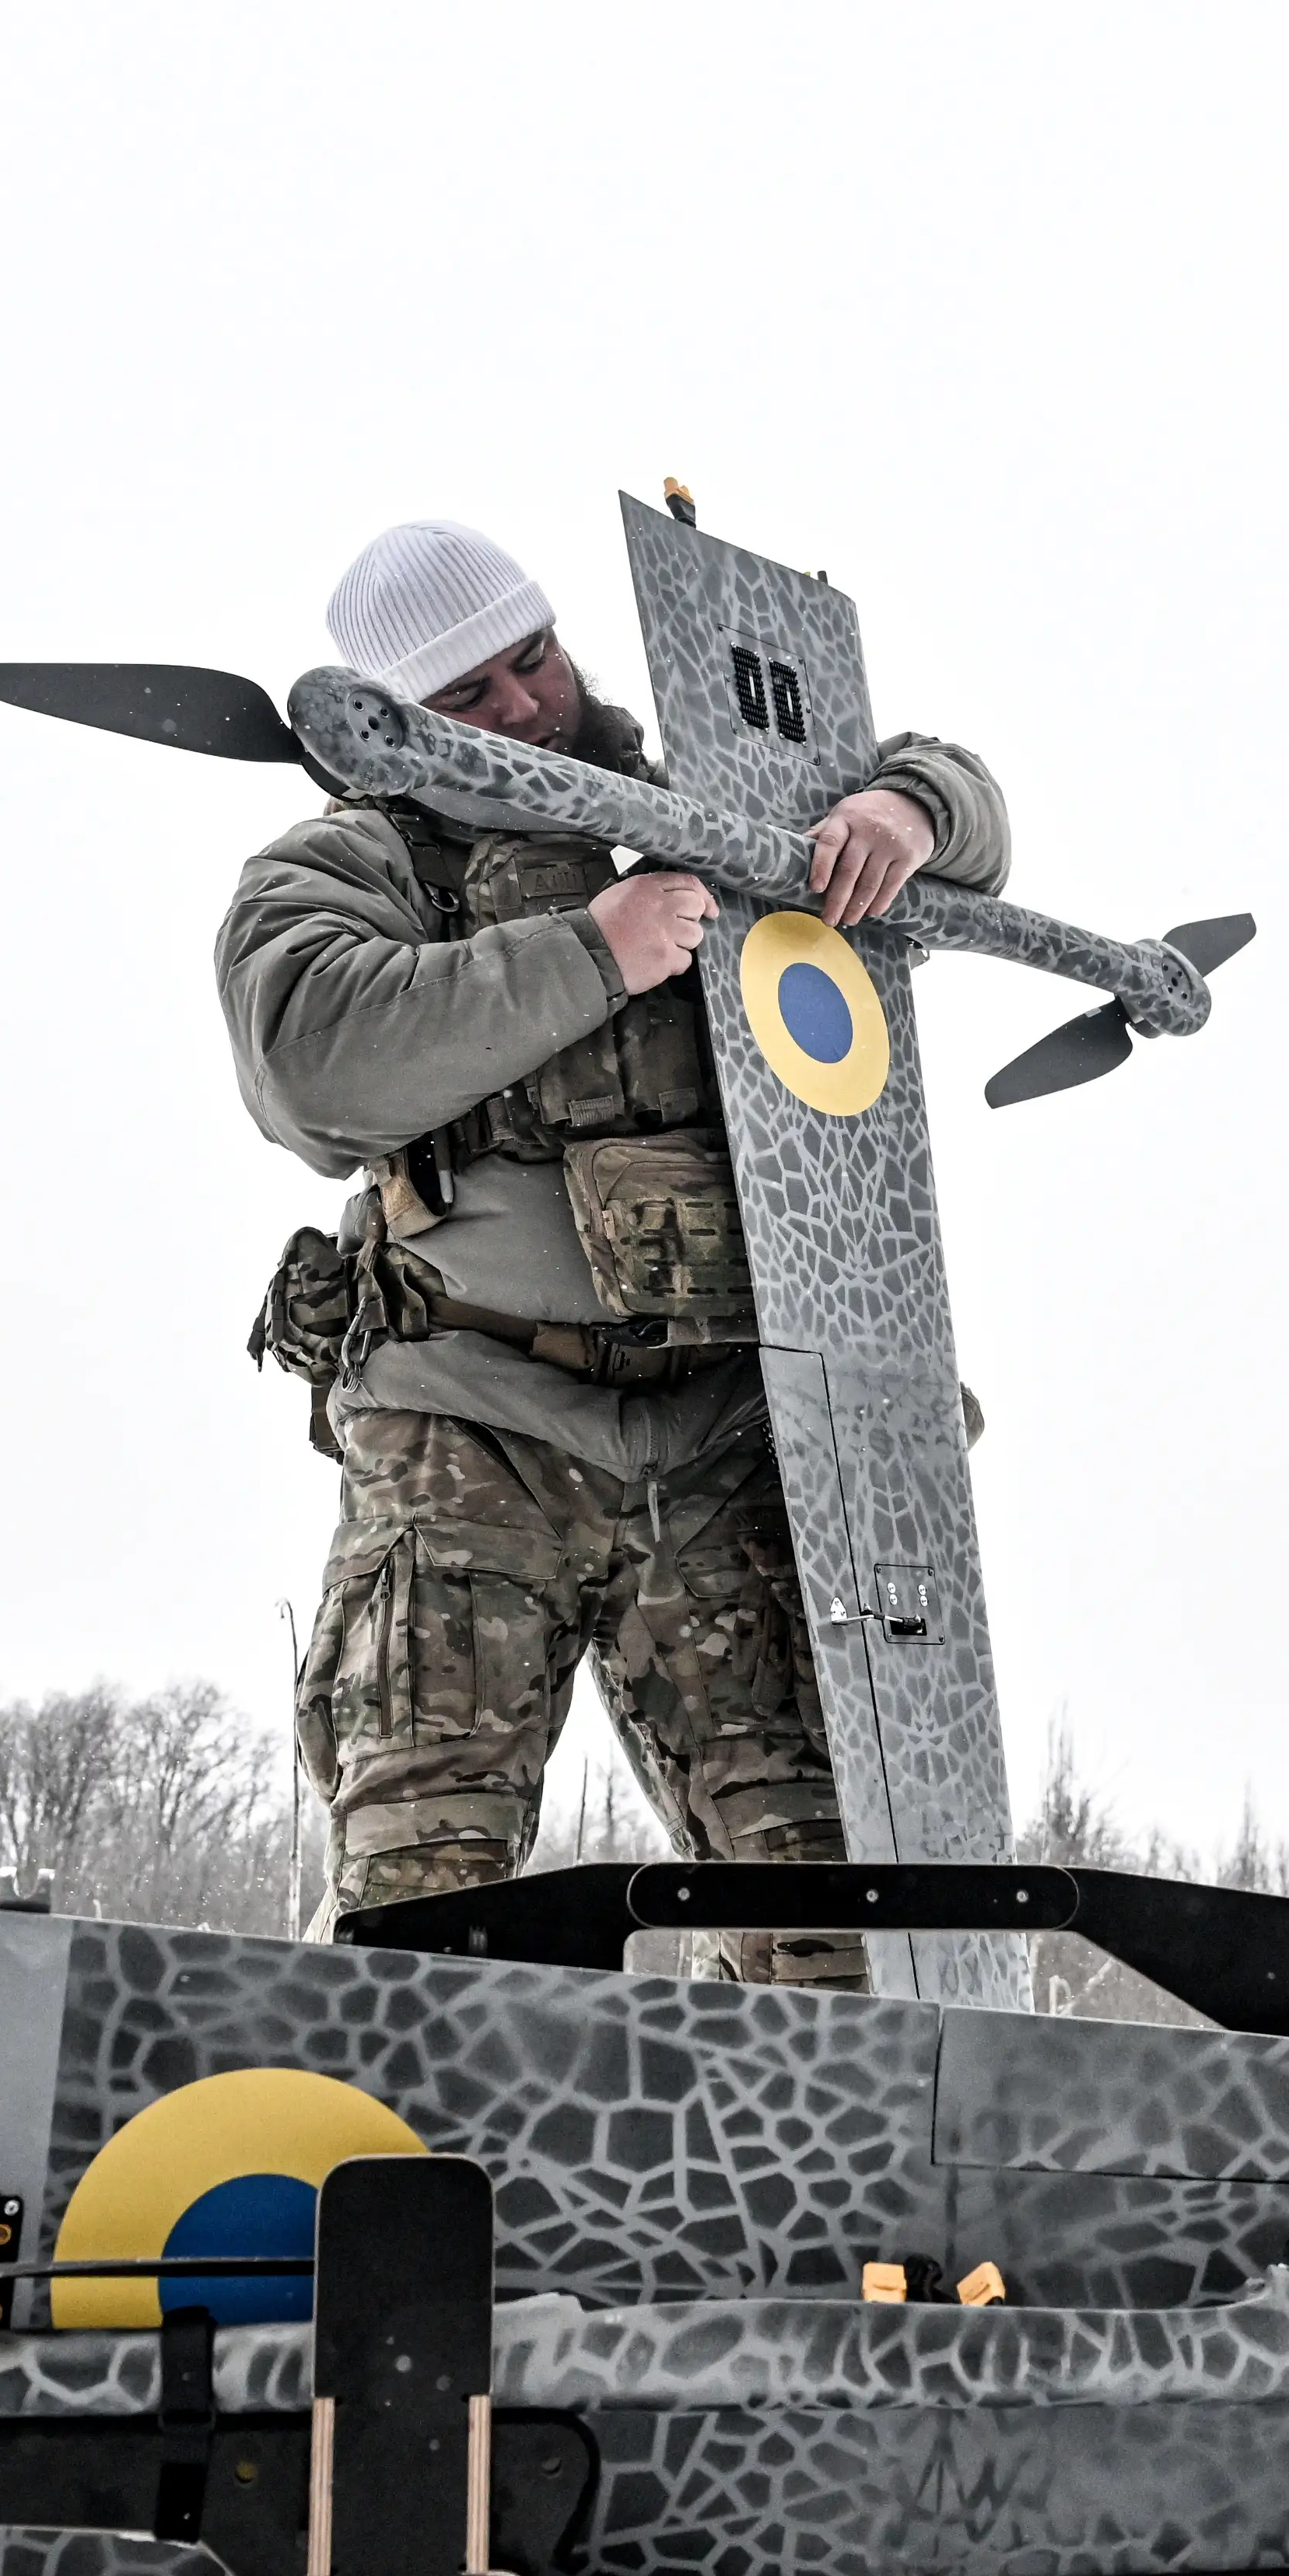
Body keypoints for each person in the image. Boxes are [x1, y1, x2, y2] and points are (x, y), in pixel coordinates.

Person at [223, 518, 1009, 1986]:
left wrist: (911, 809)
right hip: (472, 1427)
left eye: (533, 659)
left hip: (731, 1435)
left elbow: (960, 804)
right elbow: (310, 1067)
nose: (522, 708)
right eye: (467, 697)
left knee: (840, 1921)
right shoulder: (352, 863)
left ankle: (802, 2204)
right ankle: (418, 2195)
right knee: (425, 1914)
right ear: (391, 718)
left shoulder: (703, 809)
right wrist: (595, 951)